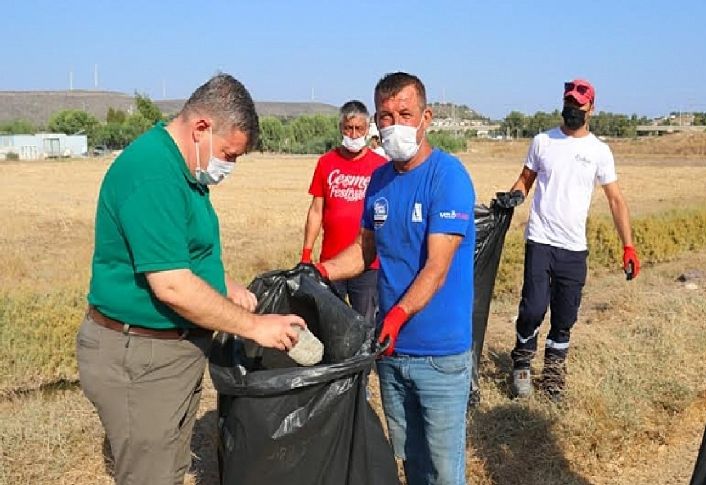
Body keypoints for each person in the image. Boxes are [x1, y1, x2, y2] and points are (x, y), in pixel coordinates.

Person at [76, 73, 305, 485]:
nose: (229, 166)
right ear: (201, 127)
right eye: (229, 154)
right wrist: (255, 327)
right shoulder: (154, 174)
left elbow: (181, 256)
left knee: (171, 466)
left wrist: (224, 285)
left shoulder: (183, 169)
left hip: (168, 352)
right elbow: (172, 284)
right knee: (152, 476)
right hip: (141, 357)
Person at [312, 72, 475, 485]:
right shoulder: (380, 181)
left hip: (439, 354)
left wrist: (397, 315)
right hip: (392, 353)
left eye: (405, 113)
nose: (394, 124)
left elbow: (437, 267)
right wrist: (320, 270)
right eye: (385, 116)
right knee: (410, 461)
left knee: (443, 468)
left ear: (426, 117)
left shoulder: (448, 176)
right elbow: (366, 250)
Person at [509, 78, 641, 400]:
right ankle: (522, 363)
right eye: (568, 103)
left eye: (578, 105)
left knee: (565, 316)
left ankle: (554, 371)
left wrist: (628, 246)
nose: (572, 109)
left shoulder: (599, 151)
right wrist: (511, 198)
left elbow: (615, 200)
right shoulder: (542, 142)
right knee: (534, 307)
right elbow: (525, 181)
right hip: (540, 240)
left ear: (591, 109)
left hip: (573, 248)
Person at [301, 100, 387, 321]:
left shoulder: (380, 167)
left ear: (368, 129)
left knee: (365, 325)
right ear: (341, 128)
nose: (354, 133)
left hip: (367, 263)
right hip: (331, 262)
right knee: (330, 324)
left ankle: (364, 358)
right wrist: (306, 255)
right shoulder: (326, 163)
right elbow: (316, 211)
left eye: (359, 128)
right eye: (349, 128)